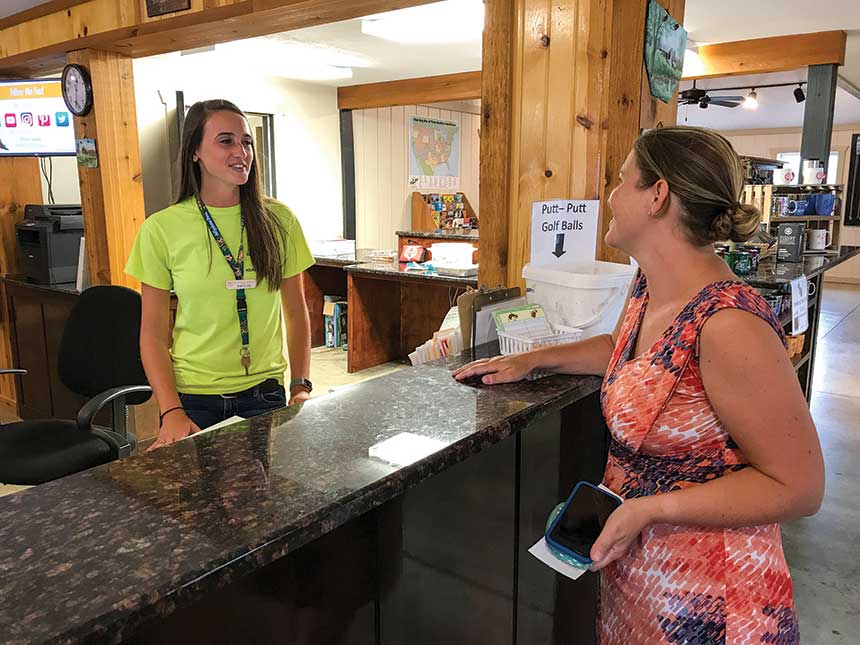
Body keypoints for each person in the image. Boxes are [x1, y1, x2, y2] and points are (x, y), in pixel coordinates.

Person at [453, 126, 823, 643]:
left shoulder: (730, 324)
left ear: (658, 196)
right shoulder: (650, 284)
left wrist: (650, 508)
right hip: (641, 579)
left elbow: (800, 486)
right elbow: (633, 354)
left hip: (712, 604)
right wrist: (535, 360)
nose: (610, 195)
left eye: (622, 180)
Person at [126, 99, 314, 451]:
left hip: (265, 393)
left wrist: (301, 385)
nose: (240, 151)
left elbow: (295, 310)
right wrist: (170, 410)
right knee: (200, 504)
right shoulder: (161, 229)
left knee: (266, 500)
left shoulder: (280, 220)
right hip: (194, 399)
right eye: (225, 140)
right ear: (195, 151)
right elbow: (152, 334)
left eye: (246, 141)